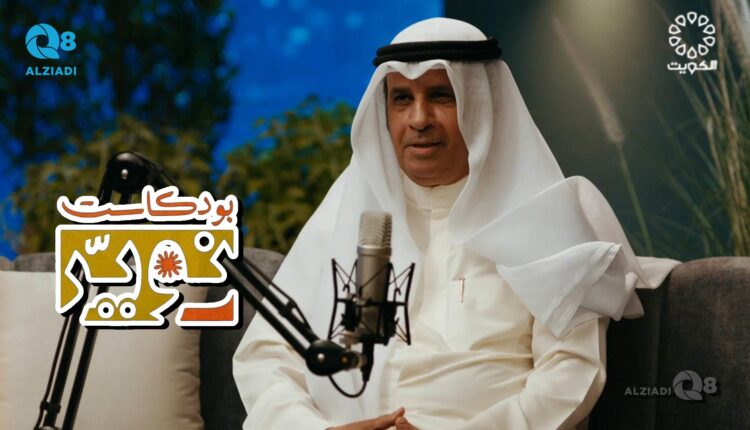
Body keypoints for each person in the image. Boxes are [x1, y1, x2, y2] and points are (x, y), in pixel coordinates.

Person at [233, 17, 678, 430]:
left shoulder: (544, 219)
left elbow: (572, 372)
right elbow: (265, 358)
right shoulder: (346, 214)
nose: (419, 119)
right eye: (402, 99)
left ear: (481, 105)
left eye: (440, 96)